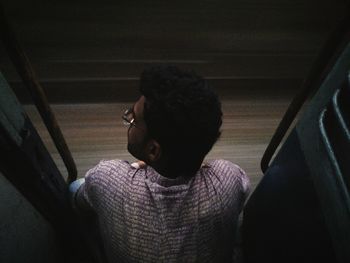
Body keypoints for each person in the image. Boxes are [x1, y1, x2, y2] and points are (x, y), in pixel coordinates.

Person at [69, 65, 250, 262]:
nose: (130, 120)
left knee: (75, 187)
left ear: (153, 151)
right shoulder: (228, 177)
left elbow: (80, 200)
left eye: (134, 120)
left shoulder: (107, 177)